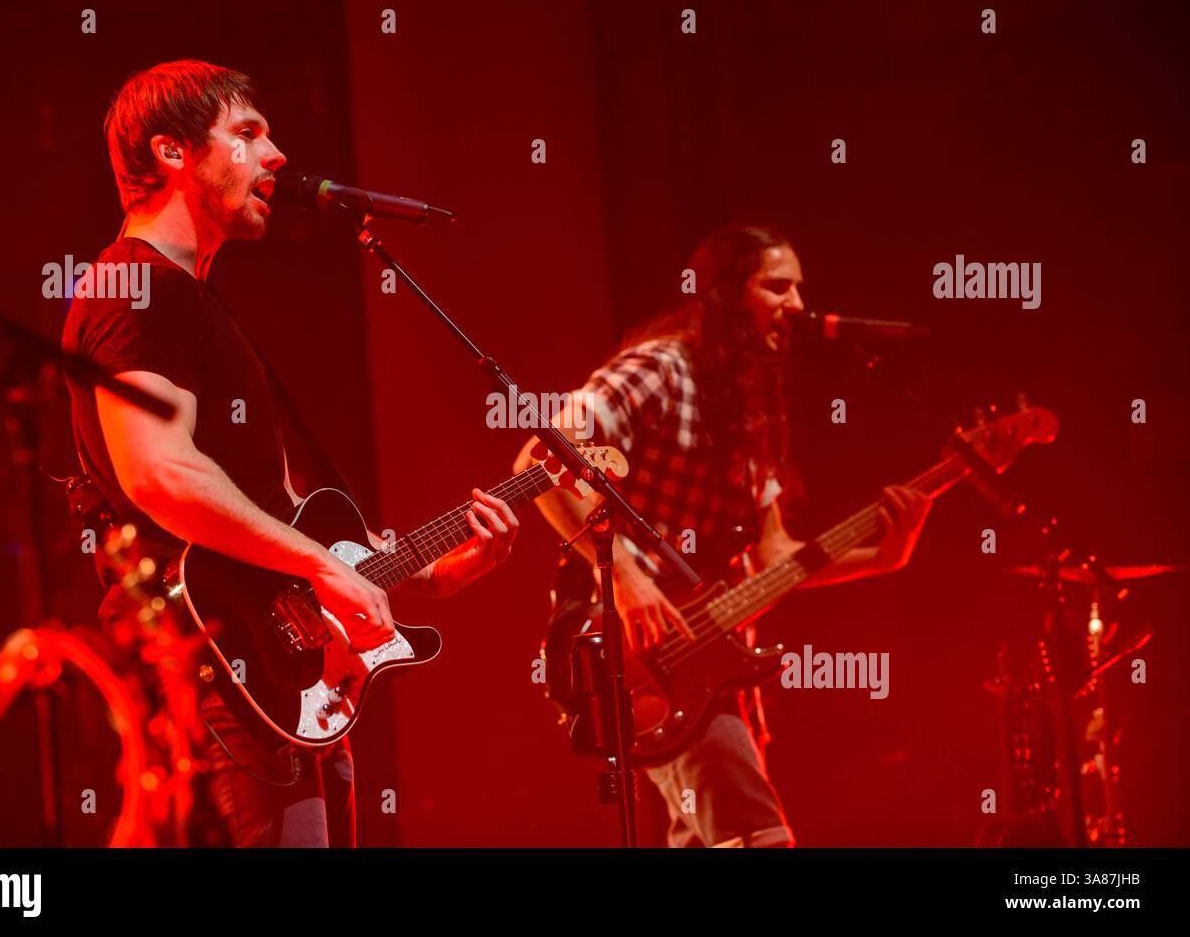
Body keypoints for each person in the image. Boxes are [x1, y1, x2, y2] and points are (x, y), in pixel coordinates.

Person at [63, 59, 519, 847]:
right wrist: (323, 566)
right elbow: (159, 470)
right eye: (246, 133)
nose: (275, 155)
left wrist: (426, 571)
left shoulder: (192, 300)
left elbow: (277, 519)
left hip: (278, 685)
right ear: (172, 153)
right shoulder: (136, 288)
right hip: (213, 675)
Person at [514, 224, 931, 847]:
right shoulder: (660, 369)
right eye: (778, 287)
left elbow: (776, 559)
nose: (796, 306)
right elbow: (538, 463)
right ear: (728, 296)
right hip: (618, 640)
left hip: (705, 659)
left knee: (711, 840)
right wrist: (626, 579)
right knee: (757, 839)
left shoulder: (755, 406)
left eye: (799, 290)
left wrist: (884, 557)